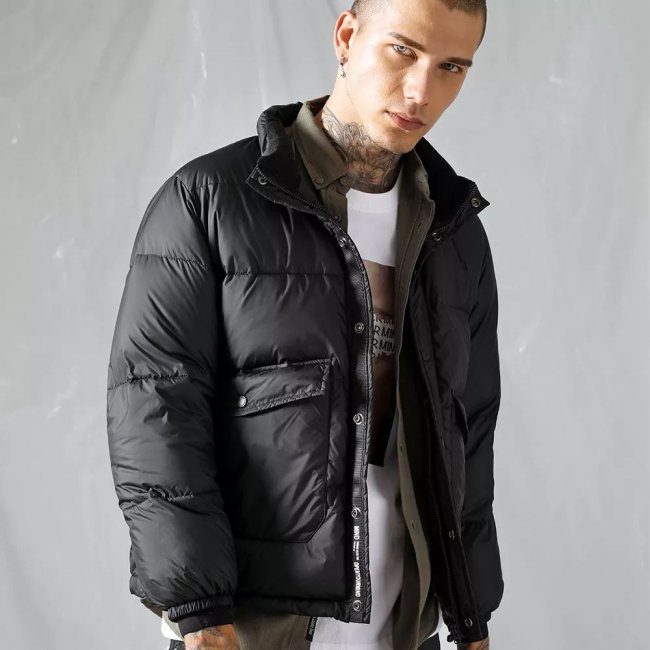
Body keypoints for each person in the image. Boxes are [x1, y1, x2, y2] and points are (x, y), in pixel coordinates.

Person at [106, 0, 503, 648]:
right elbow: (156, 408)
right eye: (403, 51)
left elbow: (471, 432)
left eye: (451, 67)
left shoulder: (455, 230)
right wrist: (196, 608)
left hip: (408, 623)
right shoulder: (214, 199)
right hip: (257, 626)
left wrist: (471, 610)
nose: (421, 91)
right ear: (347, 36)